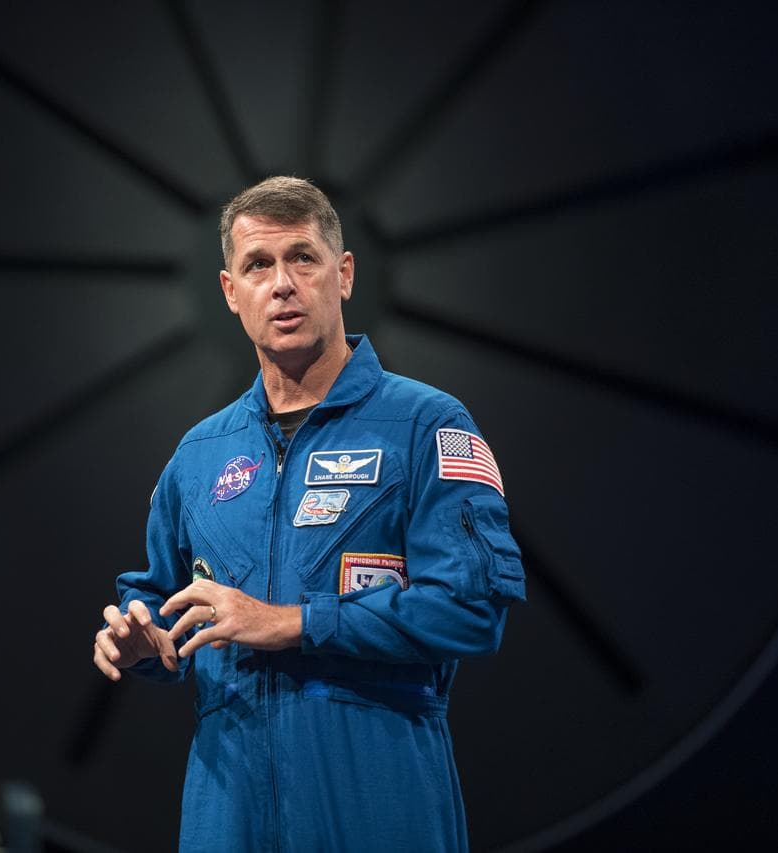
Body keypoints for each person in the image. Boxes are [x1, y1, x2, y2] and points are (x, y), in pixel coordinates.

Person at [92, 176, 525, 852]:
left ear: (343, 273)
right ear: (231, 293)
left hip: (380, 804)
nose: (282, 283)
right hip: (225, 813)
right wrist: (143, 643)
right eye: (258, 265)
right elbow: (158, 599)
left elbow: (473, 608)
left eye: (302, 258)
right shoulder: (200, 455)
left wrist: (296, 623)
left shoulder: (425, 425)